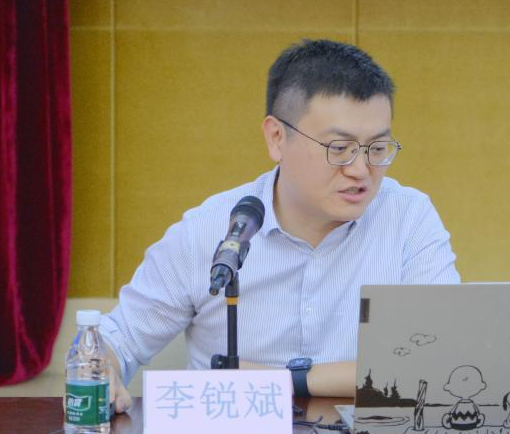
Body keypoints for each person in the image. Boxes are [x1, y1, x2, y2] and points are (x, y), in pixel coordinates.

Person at [100, 39, 460, 413]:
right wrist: (101, 368)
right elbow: (114, 341)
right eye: (339, 148)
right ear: (276, 138)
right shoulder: (209, 232)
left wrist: (283, 380)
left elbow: (442, 361)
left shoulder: (408, 219)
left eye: (378, 149)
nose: (360, 170)